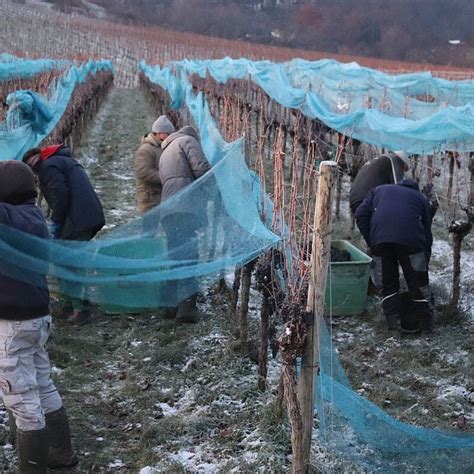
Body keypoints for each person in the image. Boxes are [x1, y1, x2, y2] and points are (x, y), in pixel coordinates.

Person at [0, 160, 77, 472]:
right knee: (43, 385)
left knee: (21, 398)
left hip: (12, 324)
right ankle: (62, 453)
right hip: (36, 318)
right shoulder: (33, 216)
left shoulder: (6, 218)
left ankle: (34, 468)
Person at [22, 144, 105, 324]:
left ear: (32, 162)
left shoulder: (49, 167)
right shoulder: (60, 160)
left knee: (69, 264)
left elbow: (60, 196)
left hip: (77, 219)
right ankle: (72, 303)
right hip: (85, 215)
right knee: (68, 261)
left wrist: (56, 222)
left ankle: (80, 310)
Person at [355, 179, 433, 334]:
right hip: (412, 242)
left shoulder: (379, 189)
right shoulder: (421, 199)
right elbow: (427, 233)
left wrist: (372, 240)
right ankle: (426, 326)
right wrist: (425, 259)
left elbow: (360, 214)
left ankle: (393, 325)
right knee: (418, 283)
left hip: (381, 242)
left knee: (387, 282)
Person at [159, 124, 212, 322]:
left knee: (174, 256)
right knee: (190, 256)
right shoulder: (188, 141)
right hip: (185, 206)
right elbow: (202, 168)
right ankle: (187, 309)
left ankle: (168, 306)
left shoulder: (166, 151)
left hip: (168, 208)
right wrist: (214, 190)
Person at [349, 150, 410, 290]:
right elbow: (398, 188)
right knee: (381, 244)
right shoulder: (393, 161)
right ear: (402, 163)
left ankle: (370, 282)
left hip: (356, 201)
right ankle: (382, 286)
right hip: (368, 201)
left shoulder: (377, 161)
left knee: (375, 242)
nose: (403, 171)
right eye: (404, 169)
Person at [134, 115, 175, 214]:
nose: (170, 137)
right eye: (168, 134)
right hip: (150, 199)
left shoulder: (161, 147)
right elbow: (143, 172)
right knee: (150, 228)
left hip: (159, 197)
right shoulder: (146, 150)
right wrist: (166, 177)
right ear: (160, 134)